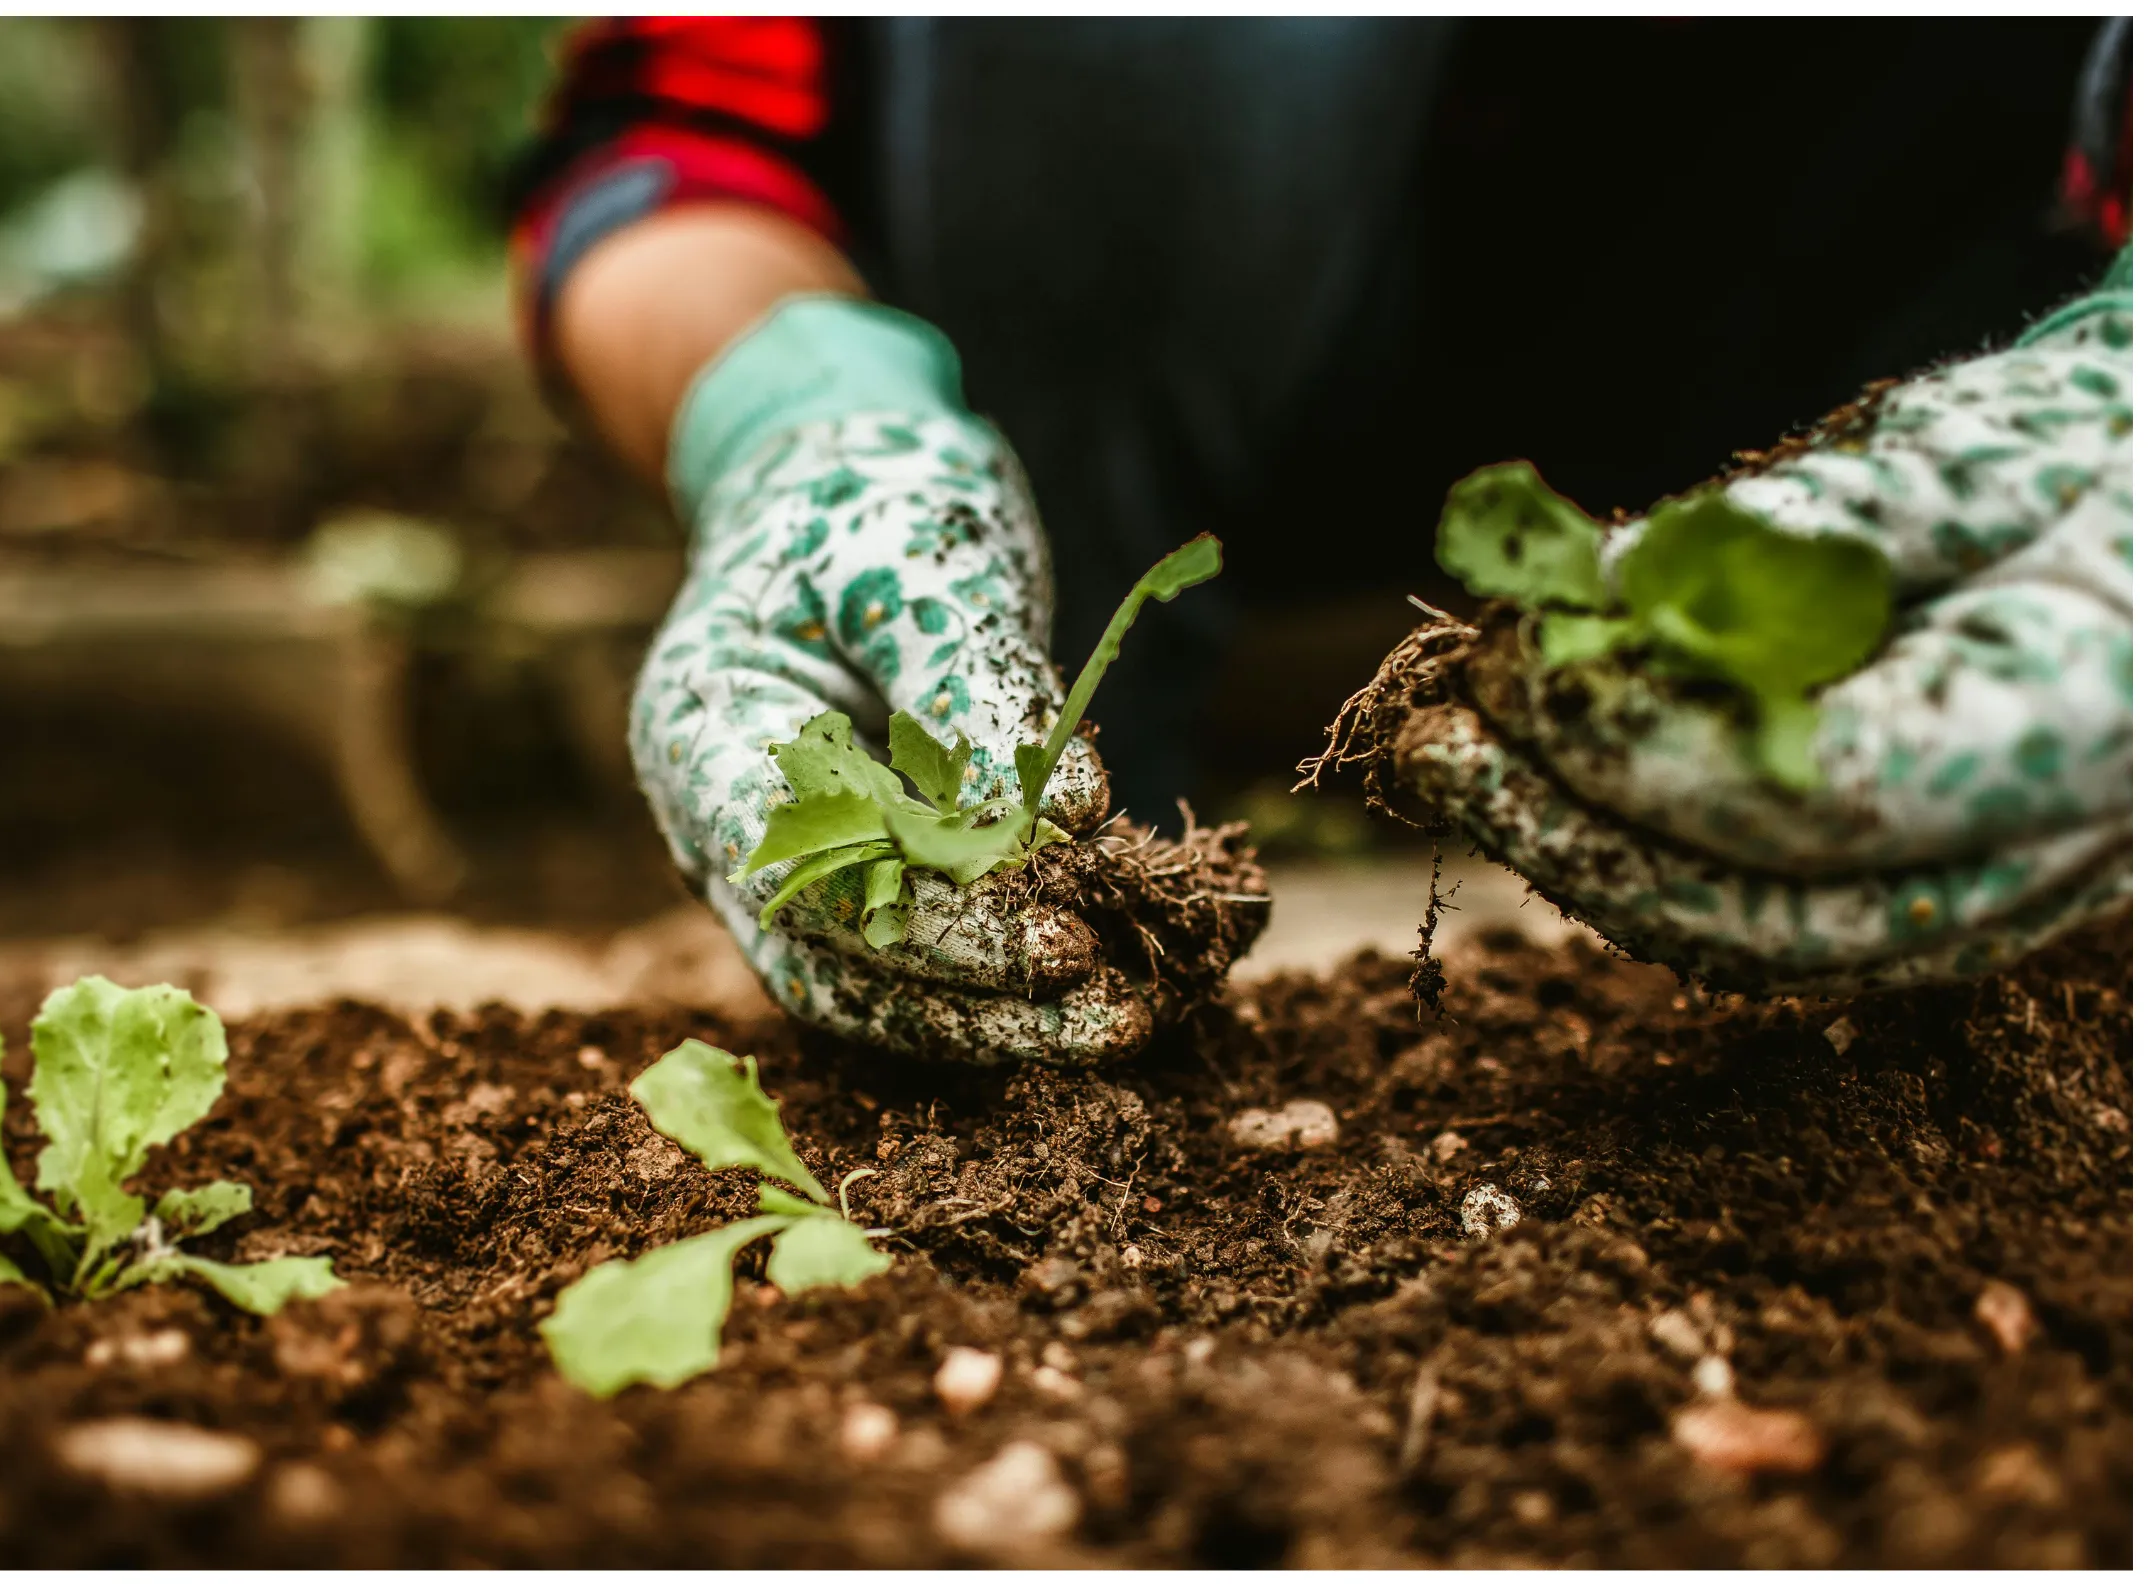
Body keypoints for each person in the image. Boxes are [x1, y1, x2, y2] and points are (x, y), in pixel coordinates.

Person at [508, 17, 2132, 1063]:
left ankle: (1917, 747)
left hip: (1884, 314)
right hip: (1135, 354)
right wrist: (795, 412)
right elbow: (665, 149)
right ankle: (1076, 887)